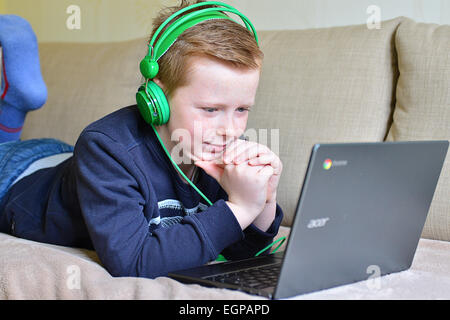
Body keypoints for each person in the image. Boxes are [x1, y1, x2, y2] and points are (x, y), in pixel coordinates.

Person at [0, 0, 284, 278]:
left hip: (74, 165)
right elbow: (132, 262)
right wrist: (240, 207)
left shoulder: (217, 144)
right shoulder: (106, 147)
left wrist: (263, 201)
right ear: (156, 99)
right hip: (17, 174)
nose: (231, 130)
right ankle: (13, 104)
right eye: (211, 109)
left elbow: (241, 252)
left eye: (242, 110)